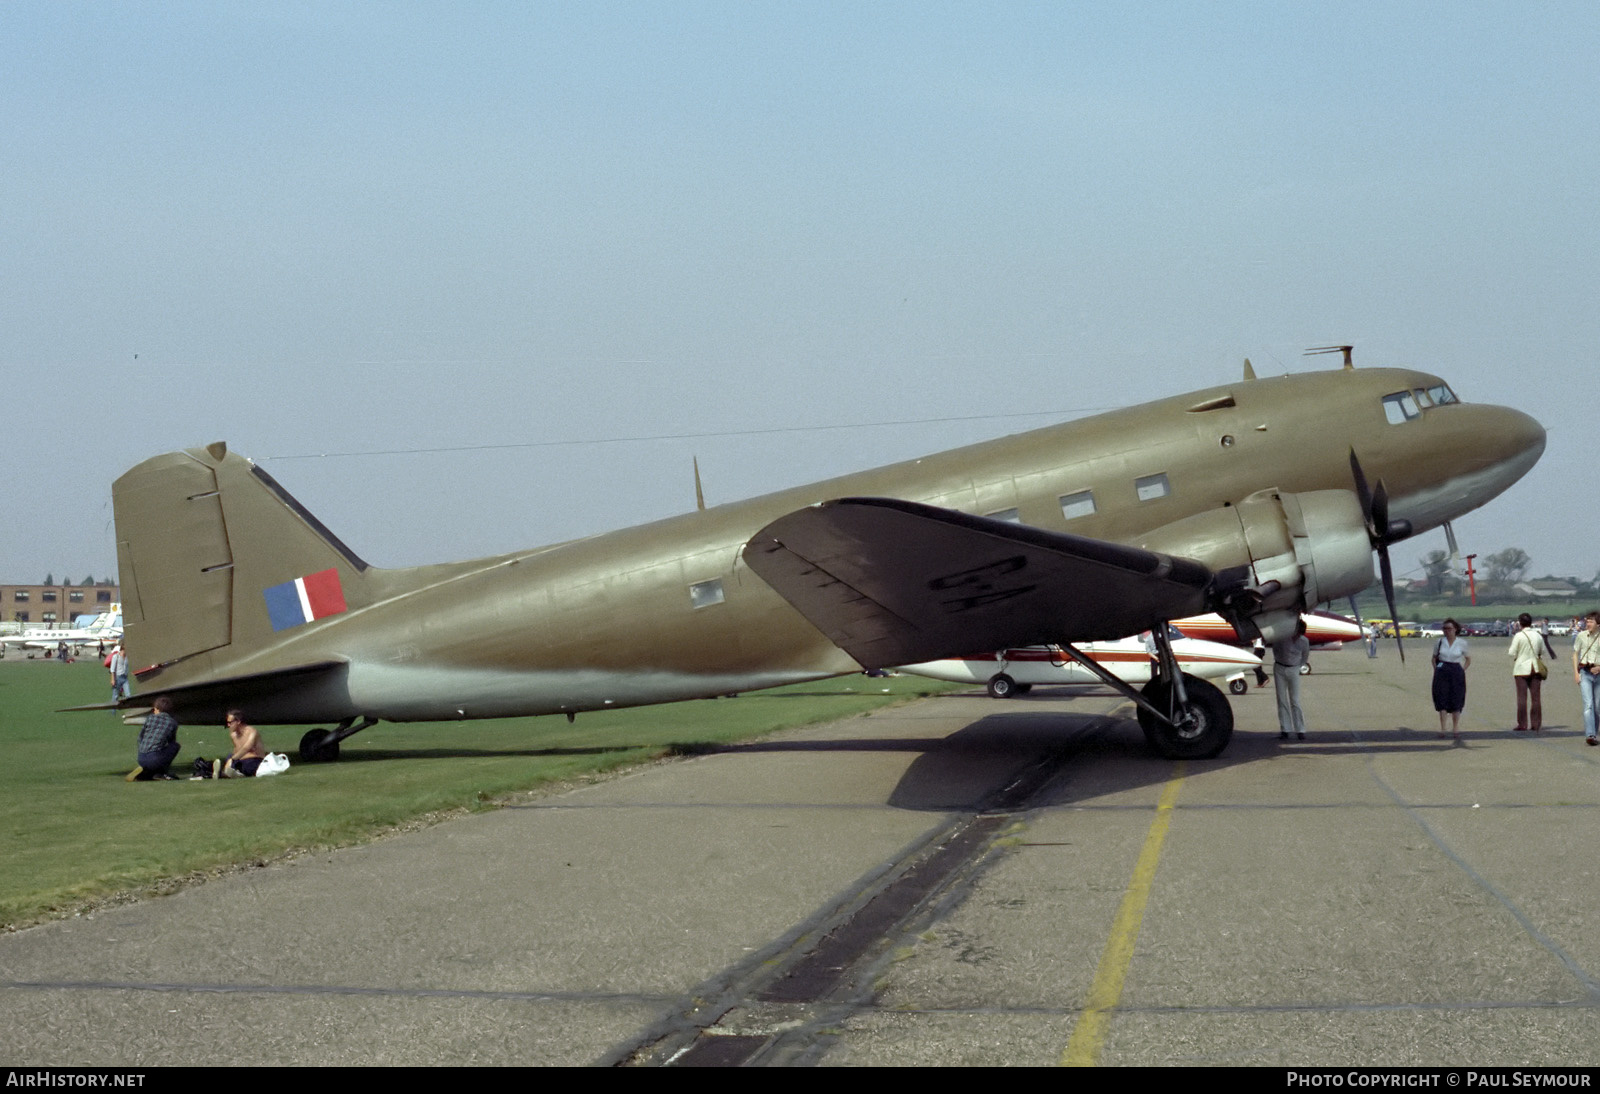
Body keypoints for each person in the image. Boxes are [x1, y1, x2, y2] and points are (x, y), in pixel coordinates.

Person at [1508, 613, 1551, 732]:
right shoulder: (1537, 635)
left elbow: (1512, 652)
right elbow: (1542, 651)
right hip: (1535, 668)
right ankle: (1536, 724)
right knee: (1536, 698)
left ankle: (1522, 724)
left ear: (1520, 623)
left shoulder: (1519, 636)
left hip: (1521, 668)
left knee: (1522, 698)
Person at [1431, 618, 1470, 740]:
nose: (1447, 631)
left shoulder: (1462, 643)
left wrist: (1462, 670)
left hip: (1456, 669)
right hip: (1442, 669)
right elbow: (1433, 658)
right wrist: (1436, 669)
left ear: (1456, 629)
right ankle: (1443, 728)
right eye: (1445, 629)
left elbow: (1468, 658)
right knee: (1441, 698)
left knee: (1456, 699)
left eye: (1449, 629)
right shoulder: (1440, 642)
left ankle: (1455, 728)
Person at [1272, 620, 1310, 740]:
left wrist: (1297, 667)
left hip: (1293, 668)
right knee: (1282, 699)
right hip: (1280, 667)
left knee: (1295, 700)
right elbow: (1276, 650)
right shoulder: (1282, 639)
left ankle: (1300, 729)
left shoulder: (1304, 641)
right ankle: (1285, 729)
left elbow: (1305, 656)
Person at [126, 696, 180, 781]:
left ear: (157, 709)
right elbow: (171, 742)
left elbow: (140, 737)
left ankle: (147, 771)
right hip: (154, 758)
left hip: (141, 757)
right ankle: (160, 773)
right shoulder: (172, 723)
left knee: (152, 755)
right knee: (175, 746)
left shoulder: (150, 718)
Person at [1572, 611, 1600, 747]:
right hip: (1585, 672)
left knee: (1598, 706)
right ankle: (1590, 734)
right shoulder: (1582, 636)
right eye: (1587, 621)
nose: (1588, 624)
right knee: (1588, 704)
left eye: (1591, 621)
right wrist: (1576, 674)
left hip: (1599, 673)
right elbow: (1575, 654)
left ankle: (1594, 731)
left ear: (1598, 623)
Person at [219, 710, 267, 777]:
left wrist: (233, 760)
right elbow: (237, 749)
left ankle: (232, 772)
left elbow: (246, 748)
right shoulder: (233, 735)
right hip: (240, 760)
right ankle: (228, 772)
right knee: (229, 756)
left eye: (230, 722)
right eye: (227, 722)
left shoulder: (252, 732)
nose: (228, 725)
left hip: (255, 760)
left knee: (247, 765)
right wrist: (231, 759)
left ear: (238, 721)